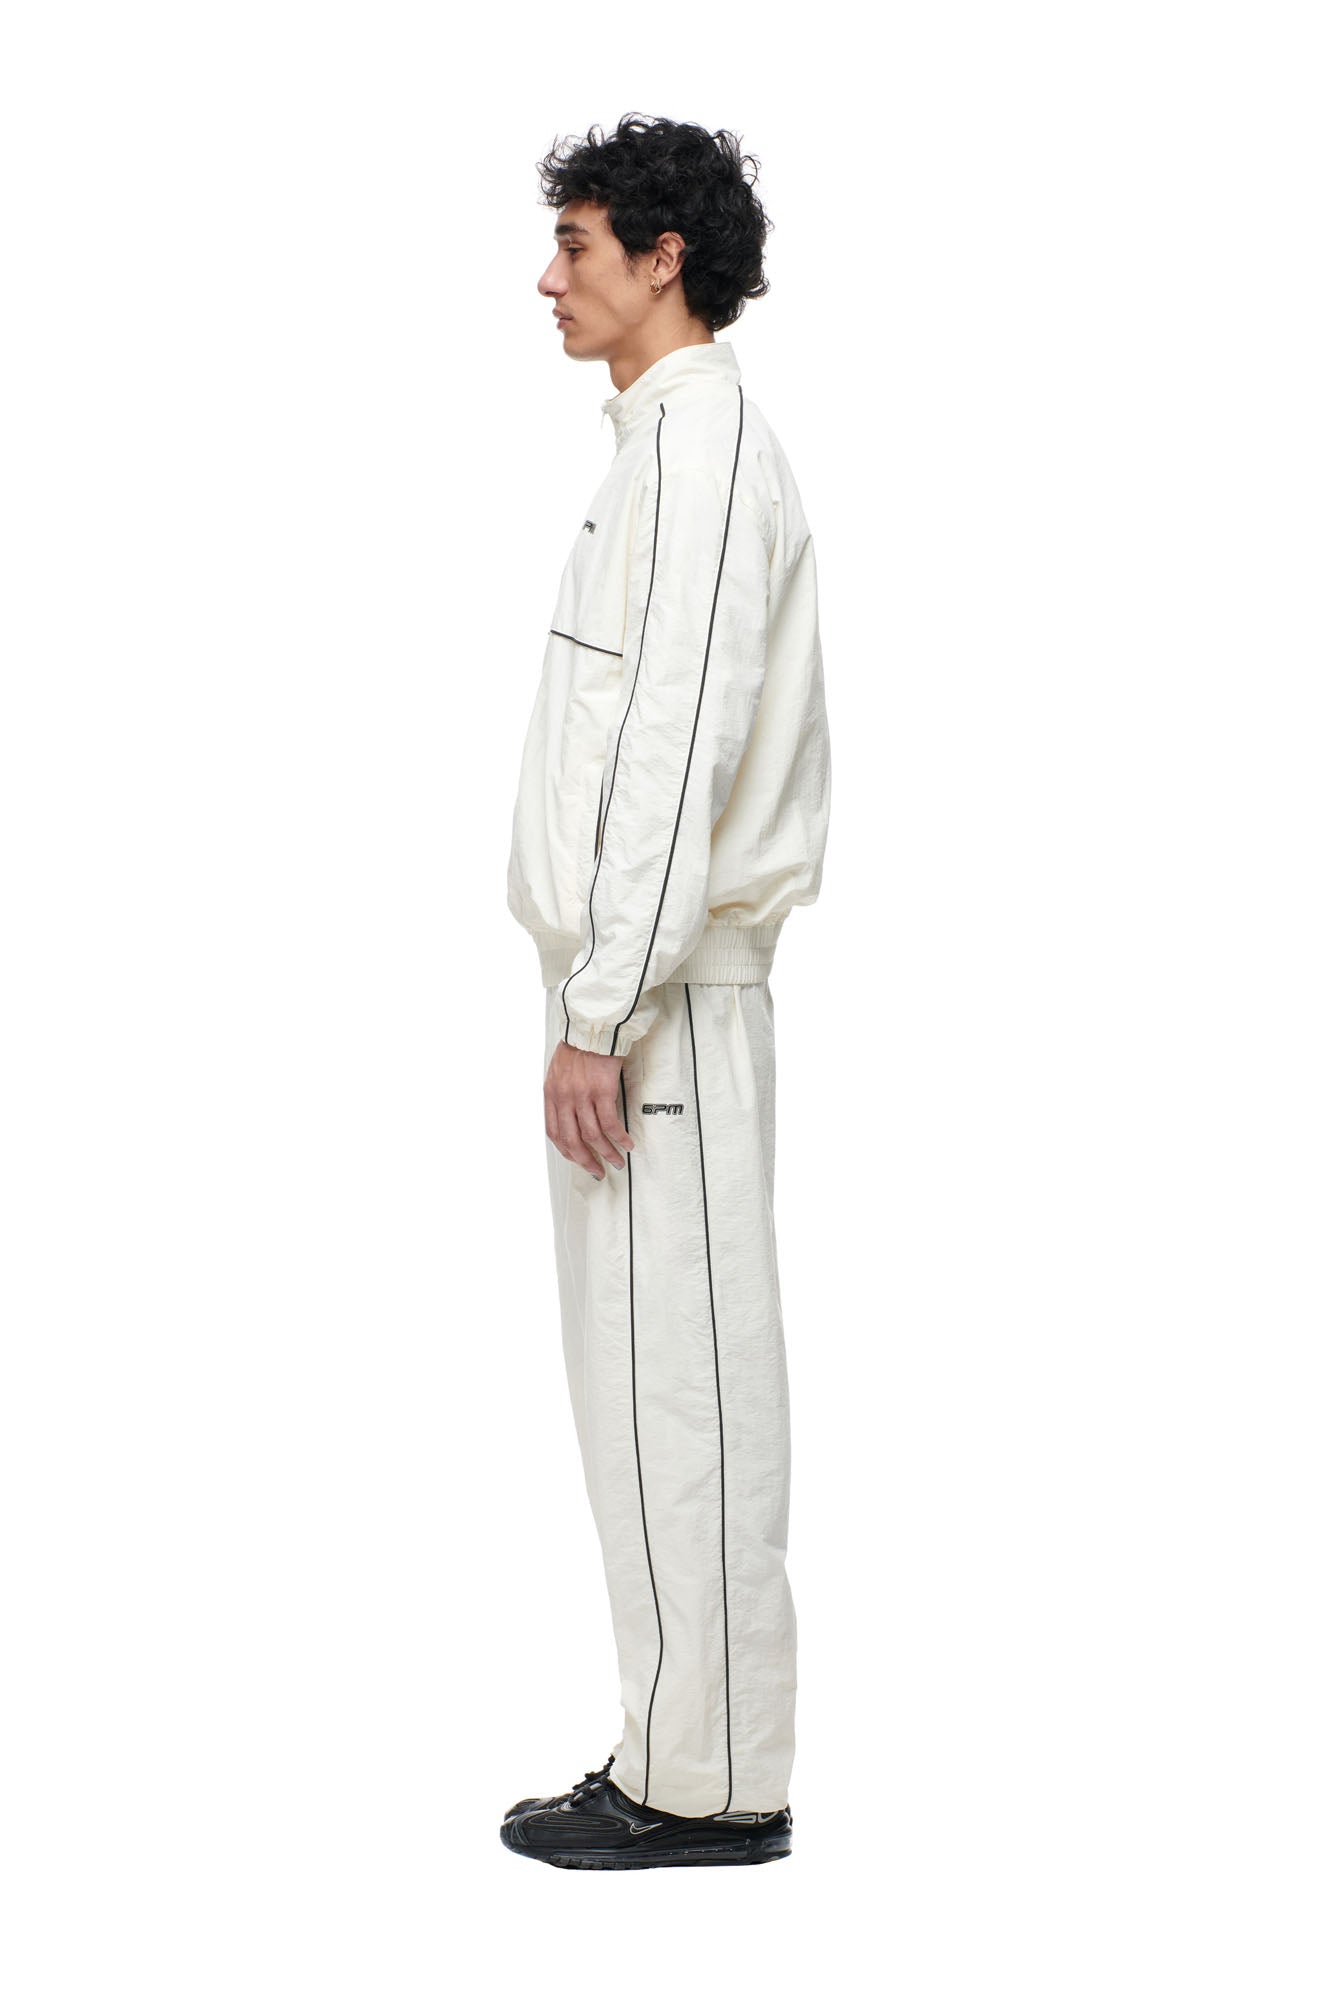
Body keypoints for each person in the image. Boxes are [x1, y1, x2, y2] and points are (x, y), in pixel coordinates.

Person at [501, 113, 832, 1871]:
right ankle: (681, 1751)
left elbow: (675, 749)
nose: (549, 280)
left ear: (663, 258)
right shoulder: (659, 449)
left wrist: (601, 1011)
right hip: (647, 999)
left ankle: (706, 1788)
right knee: (646, 1388)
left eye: (577, 246)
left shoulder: (698, 456)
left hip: (664, 1009)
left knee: (681, 1392)